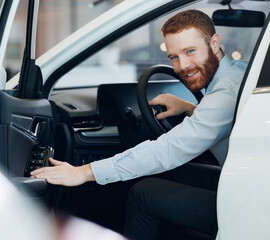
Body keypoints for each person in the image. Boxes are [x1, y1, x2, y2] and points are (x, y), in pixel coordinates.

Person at [31, 9, 247, 240]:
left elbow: (168, 150)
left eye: (190, 51)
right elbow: (227, 118)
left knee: (142, 194)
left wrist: (83, 172)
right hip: (240, 181)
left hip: (242, 202)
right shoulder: (239, 74)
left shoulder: (225, 92)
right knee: (173, 171)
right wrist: (190, 108)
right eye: (174, 57)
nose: (182, 66)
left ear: (214, 43)